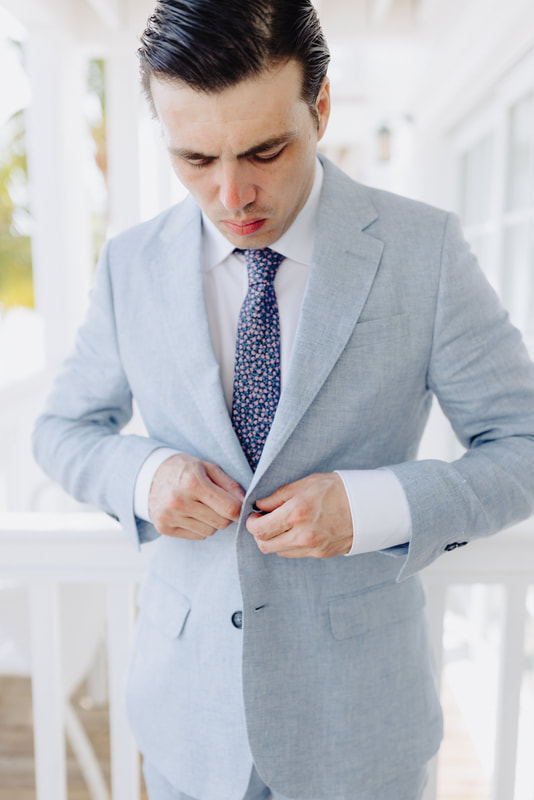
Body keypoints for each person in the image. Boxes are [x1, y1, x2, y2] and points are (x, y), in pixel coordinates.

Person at [32, 1, 534, 799]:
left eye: (265, 149)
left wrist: (373, 506)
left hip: (361, 729)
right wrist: (144, 477)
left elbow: (522, 445)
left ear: (322, 106)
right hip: (186, 721)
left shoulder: (423, 251)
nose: (232, 195)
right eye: (195, 159)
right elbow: (63, 428)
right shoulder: (130, 264)